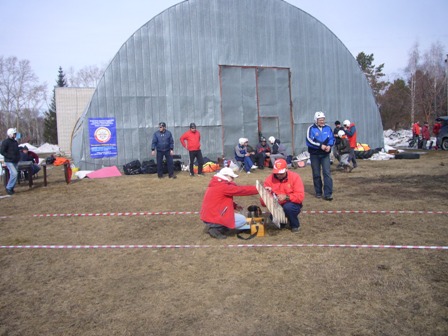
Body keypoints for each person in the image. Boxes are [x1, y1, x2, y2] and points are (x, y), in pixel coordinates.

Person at [200, 167, 259, 239]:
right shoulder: (223, 186)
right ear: (225, 176)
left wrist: (235, 206)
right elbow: (241, 190)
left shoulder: (216, 184)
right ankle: (217, 229)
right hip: (214, 216)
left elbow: (222, 200)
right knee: (242, 220)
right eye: (231, 177)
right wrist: (258, 189)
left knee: (239, 218)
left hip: (209, 215)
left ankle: (217, 226)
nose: (233, 179)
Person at [262, 159, 305, 233]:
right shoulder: (269, 180)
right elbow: (263, 203)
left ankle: (295, 225)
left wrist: (287, 197)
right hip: (277, 206)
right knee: (275, 220)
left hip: (292, 204)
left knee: (288, 207)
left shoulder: (295, 177)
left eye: (281, 173)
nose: (278, 175)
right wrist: (267, 196)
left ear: (286, 169)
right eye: (276, 173)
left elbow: (300, 196)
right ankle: (283, 221)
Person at [306, 111, 335, 201]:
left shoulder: (328, 128)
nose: (322, 121)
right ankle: (318, 192)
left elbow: (332, 138)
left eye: (323, 119)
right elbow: (309, 140)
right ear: (316, 120)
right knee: (316, 173)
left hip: (325, 155)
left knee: (327, 173)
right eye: (320, 120)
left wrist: (329, 146)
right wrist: (320, 145)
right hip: (314, 154)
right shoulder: (311, 128)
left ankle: (328, 194)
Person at [0, 128, 20, 195]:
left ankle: (11, 188)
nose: (15, 135)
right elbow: (2, 151)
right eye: (14, 134)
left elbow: (17, 151)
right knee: (14, 173)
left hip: (15, 161)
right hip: (9, 161)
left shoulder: (15, 142)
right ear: (10, 134)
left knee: (14, 174)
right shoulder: (5, 142)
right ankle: (9, 187)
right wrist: (9, 156)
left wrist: (18, 157)